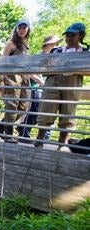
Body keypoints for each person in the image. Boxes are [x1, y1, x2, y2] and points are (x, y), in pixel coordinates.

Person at [35, 22, 88, 151]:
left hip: (72, 83)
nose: (69, 38)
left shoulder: (85, 53)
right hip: (53, 81)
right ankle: (39, 142)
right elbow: (44, 68)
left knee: (68, 114)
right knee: (46, 111)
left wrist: (74, 69)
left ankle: (62, 145)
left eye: (72, 35)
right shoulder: (56, 51)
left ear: (80, 35)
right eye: (67, 35)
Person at [17, 35, 62, 141]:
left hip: (48, 88)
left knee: (46, 111)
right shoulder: (39, 56)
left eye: (56, 44)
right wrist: (41, 82)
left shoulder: (55, 57)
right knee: (34, 109)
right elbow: (29, 71)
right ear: (46, 45)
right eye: (53, 44)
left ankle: (42, 135)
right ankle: (24, 132)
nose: (56, 46)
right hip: (35, 87)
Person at [0, 19, 32, 143]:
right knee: (12, 106)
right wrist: (1, 80)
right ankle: (8, 135)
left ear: (28, 29)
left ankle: (0, 127)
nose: (22, 30)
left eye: (24, 28)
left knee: (23, 106)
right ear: (16, 29)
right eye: (19, 28)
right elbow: (2, 62)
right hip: (11, 78)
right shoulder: (11, 43)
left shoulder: (26, 45)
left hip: (24, 79)